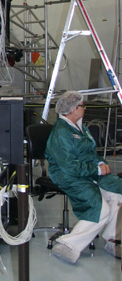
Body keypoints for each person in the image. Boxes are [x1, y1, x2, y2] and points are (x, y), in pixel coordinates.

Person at [45, 90, 122, 264]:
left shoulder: (80, 127)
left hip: (88, 171)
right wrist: (96, 170)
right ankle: (67, 245)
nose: (84, 108)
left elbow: (90, 152)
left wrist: (100, 163)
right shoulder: (61, 132)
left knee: (118, 193)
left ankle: (113, 240)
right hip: (68, 175)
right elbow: (68, 165)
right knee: (100, 208)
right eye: (82, 105)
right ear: (72, 109)